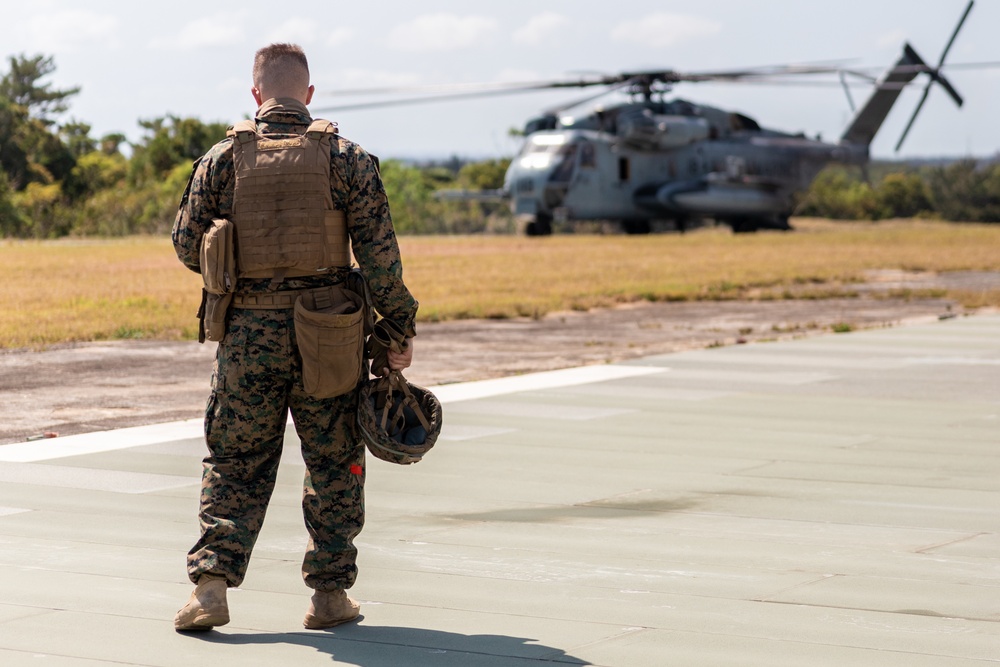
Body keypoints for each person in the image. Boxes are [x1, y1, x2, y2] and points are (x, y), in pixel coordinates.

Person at [171, 43, 417, 631]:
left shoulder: (222, 159)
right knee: (334, 462)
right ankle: (329, 597)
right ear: (308, 95)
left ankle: (211, 589)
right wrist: (398, 328)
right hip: (329, 333)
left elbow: (186, 244)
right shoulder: (347, 159)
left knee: (234, 461)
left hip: (248, 335)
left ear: (256, 95)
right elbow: (380, 258)